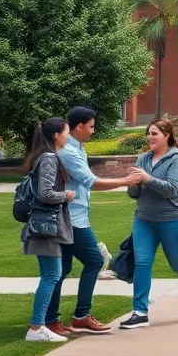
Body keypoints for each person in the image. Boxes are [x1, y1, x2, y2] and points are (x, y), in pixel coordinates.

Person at [50, 106, 132, 336]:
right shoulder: (69, 153)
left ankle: (51, 320)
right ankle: (80, 317)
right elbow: (90, 182)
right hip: (72, 219)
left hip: (71, 217)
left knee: (62, 269)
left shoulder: (75, 150)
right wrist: (126, 181)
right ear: (79, 127)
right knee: (95, 261)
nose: (93, 131)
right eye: (91, 126)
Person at [120, 119, 178, 330]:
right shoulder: (142, 159)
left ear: (167, 135)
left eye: (154, 133)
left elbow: (172, 190)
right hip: (144, 219)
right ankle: (140, 311)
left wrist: (147, 179)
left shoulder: (176, 160)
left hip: (173, 220)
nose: (150, 137)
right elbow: (133, 193)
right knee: (142, 263)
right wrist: (132, 184)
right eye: (148, 133)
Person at [23, 117, 76, 342]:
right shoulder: (49, 158)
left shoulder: (44, 157)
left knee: (51, 274)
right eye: (66, 132)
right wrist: (66, 195)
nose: (68, 136)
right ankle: (36, 328)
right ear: (56, 135)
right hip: (46, 226)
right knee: (51, 275)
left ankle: (39, 326)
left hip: (46, 225)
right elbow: (45, 194)